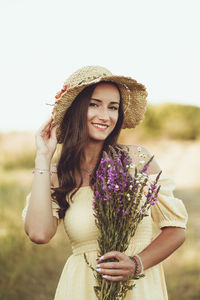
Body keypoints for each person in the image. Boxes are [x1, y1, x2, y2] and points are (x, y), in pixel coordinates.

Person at [22, 65, 188, 300]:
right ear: (76, 109)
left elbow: (176, 229)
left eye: (113, 107)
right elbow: (39, 234)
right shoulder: (57, 174)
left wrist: (136, 263)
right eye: (94, 104)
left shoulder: (138, 159)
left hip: (138, 291)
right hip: (81, 290)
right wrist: (42, 158)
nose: (105, 115)